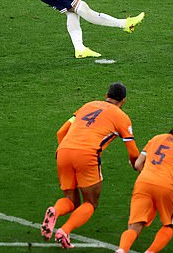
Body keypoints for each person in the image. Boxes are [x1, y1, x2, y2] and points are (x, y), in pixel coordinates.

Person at [41, 82, 140, 249]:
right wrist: (135, 165)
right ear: (123, 100)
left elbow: (60, 132)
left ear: (106, 95)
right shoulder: (121, 117)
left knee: (71, 201)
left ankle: (55, 211)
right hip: (87, 155)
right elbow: (132, 150)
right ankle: (64, 231)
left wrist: (63, 151)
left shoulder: (88, 105)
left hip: (63, 150)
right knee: (90, 203)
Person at [115, 115, 173, 253]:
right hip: (165, 185)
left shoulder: (157, 138)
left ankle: (122, 249)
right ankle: (150, 251)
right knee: (170, 224)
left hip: (143, 181)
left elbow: (138, 164)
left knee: (135, 224)